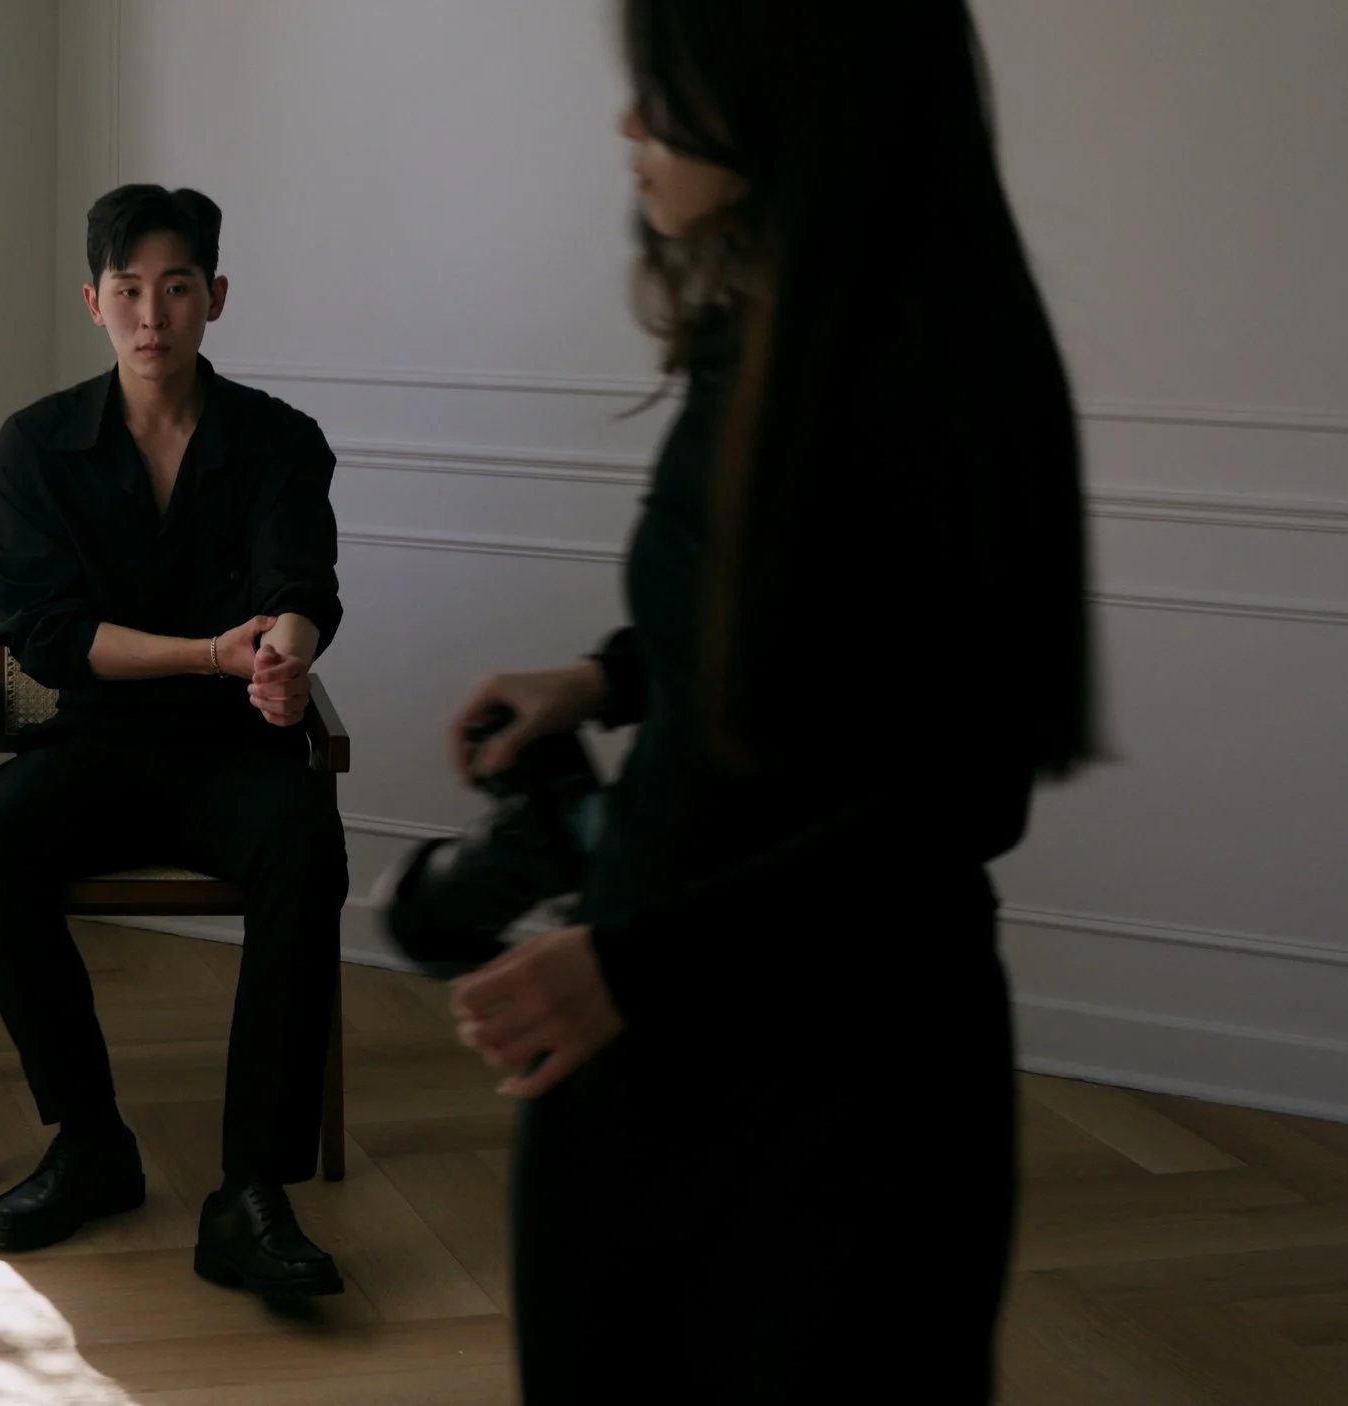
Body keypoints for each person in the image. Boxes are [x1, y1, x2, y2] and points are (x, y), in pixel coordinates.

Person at [441, 2, 1097, 1399]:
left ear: (789, 104)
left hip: (830, 1089)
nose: (629, 124)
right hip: (665, 1037)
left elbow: (951, 802)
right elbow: (783, 607)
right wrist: (608, 677)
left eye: (664, 92)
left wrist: (633, 967)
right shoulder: (775, 327)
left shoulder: (935, 384)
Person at [0, 185, 351, 1297]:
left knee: (306, 844)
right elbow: (46, 633)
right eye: (127, 289)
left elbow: (301, 587)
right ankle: (91, 1144)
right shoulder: (35, 446)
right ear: (93, 302)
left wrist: (284, 658)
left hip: (235, 751)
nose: (151, 314)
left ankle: (250, 1193)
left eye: (176, 287)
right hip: (96, 742)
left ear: (214, 296)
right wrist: (211, 652)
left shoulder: (278, 440)